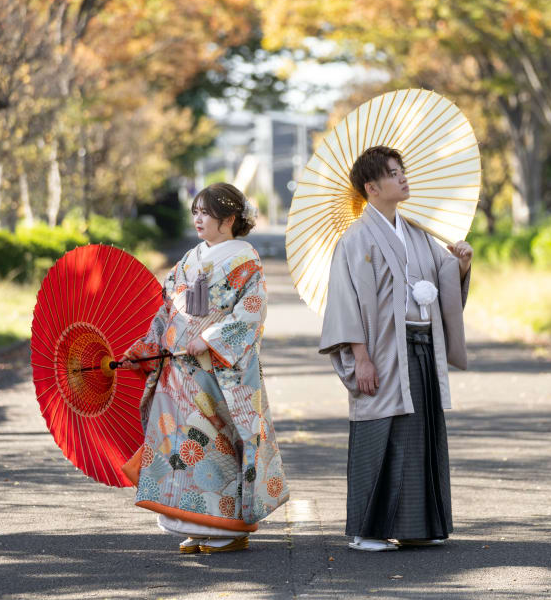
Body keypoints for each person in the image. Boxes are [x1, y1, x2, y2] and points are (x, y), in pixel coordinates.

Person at [118, 183, 288, 554]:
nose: (196, 218)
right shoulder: (190, 258)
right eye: (194, 211)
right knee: (180, 446)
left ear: (229, 219)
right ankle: (194, 524)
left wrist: (210, 339)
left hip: (218, 371)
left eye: (204, 213)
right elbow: (167, 309)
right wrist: (147, 348)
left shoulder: (246, 261)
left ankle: (227, 527)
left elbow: (251, 312)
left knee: (215, 446)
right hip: (179, 370)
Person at [319, 145, 472, 552]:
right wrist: (361, 358)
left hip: (420, 347)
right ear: (371, 188)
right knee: (379, 431)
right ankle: (366, 530)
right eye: (393, 172)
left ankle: (416, 526)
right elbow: (345, 302)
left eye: (402, 170)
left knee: (420, 435)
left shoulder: (418, 231)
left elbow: (440, 281)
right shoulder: (355, 239)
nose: (403, 177)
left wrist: (459, 264)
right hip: (384, 351)